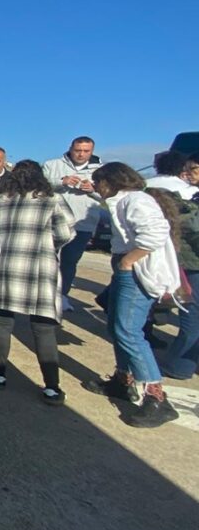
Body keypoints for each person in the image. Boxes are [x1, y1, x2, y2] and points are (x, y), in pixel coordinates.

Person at [82, 163, 180, 428]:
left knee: (128, 331)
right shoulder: (124, 200)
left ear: (110, 181)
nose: (98, 187)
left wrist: (128, 261)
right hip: (125, 266)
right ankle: (123, 379)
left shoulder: (137, 200)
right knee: (117, 326)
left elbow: (155, 233)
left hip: (135, 270)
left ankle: (156, 397)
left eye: (98, 182)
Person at [0, 161, 75, 405]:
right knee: (43, 329)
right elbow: (66, 233)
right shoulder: (52, 199)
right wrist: (47, 245)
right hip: (39, 268)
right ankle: (52, 387)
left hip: (2, 267)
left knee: (2, 323)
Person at [42, 136, 102, 311]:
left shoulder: (101, 170)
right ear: (70, 148)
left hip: (82, 224)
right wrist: (61, 182)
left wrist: (93, 190)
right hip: (52, 222)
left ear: (92, 151)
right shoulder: (52, 165)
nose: (81, 154)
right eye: (78, 150)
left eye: (86, 151)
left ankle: (62, 295)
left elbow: (109, 195)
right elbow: (40, 187)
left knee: (70, 261)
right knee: (47, 260)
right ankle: (44, 294)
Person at [162, 181, 199, 379]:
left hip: (193, 267)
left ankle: (179, 365)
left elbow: (193, 227)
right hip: (190, 265)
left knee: (191, 315)